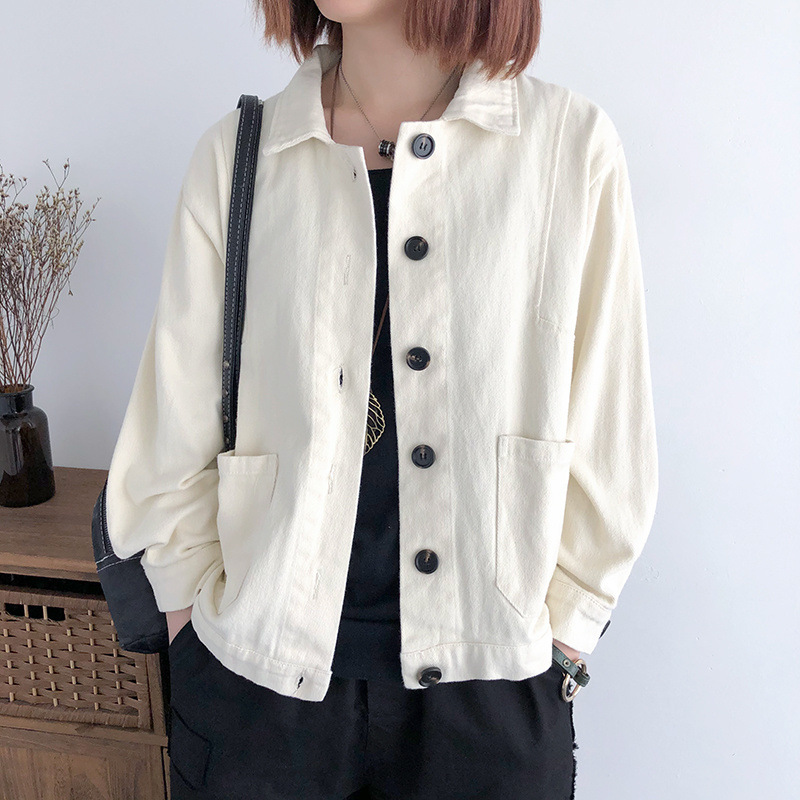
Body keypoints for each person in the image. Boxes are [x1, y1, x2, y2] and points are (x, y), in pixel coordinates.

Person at [104, 1, 658, 797]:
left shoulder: (567, 149)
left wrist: (566, 637)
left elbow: (610, 427)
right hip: (256, 694)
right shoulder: (240, 156)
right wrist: (191, 619)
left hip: (491, 699)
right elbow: (173, 422)